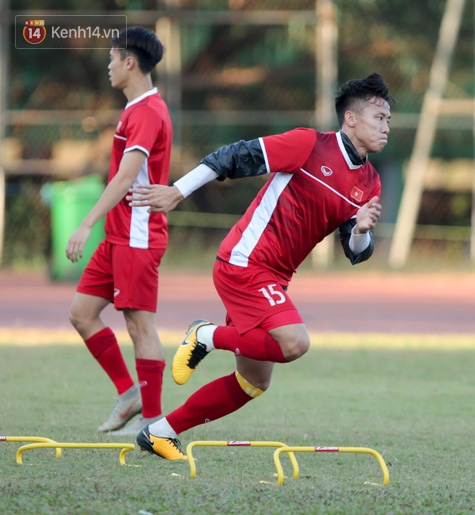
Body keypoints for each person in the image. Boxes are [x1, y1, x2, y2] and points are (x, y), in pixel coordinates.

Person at [126, 72, 395, 460]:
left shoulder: (369, 182)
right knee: (294, 343)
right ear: (350, 119)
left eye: (388, 120)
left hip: (273, 279)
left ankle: (160, 433)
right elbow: (232, 157)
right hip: (245, 262)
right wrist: (177, 191)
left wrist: (362, 231)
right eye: (378, 118)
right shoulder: (309, 144)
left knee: (253, 383)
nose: (386, 127)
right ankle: (207, 335)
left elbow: (355, 251)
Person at [66, 27, 172, 435]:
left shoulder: (147, 111)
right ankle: (130, 394)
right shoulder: (135, 109)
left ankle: (153, 420)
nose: (108, 65)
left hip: (138, 237)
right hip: (118, 236)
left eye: (112, 58)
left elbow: (127, 177)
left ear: (130, 62)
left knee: (139, 326)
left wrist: (85, 223)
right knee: (82, 314)